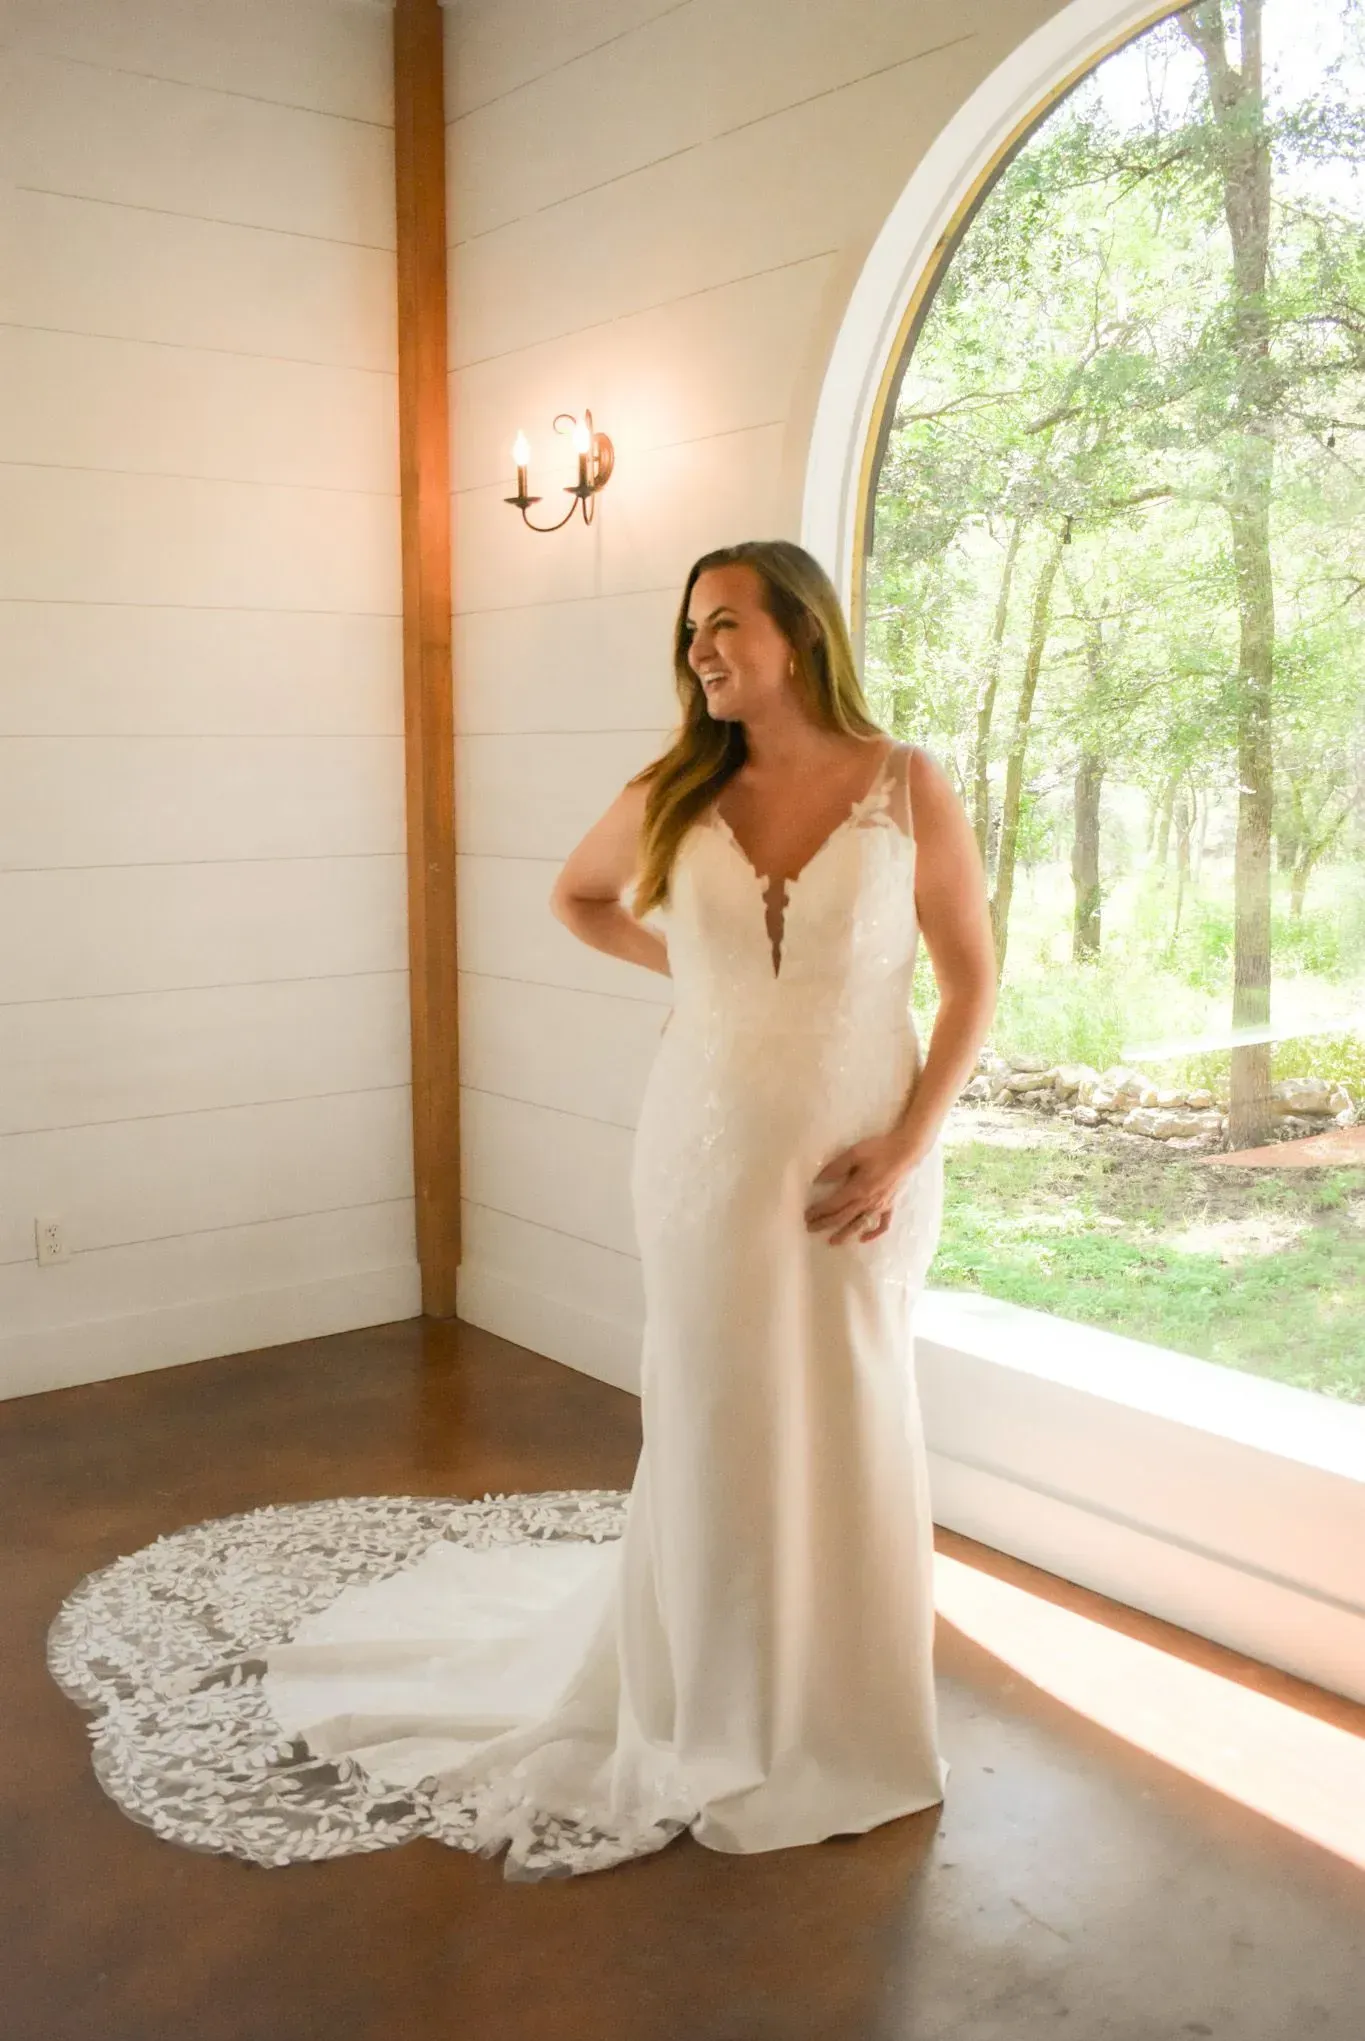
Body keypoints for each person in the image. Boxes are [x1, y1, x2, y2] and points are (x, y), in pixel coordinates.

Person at [46, 539, 995, 1884]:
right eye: (691, 634)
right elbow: (577, 898)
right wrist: (710, 981)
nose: (703, 652)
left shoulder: (909, 787)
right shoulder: (673, 789)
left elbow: (969, 981)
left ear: (802, 631)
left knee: (849, 1404)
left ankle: (847, 1713)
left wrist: (907, 1145)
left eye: (726, 624)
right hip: (708, 1147)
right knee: (719, 1411)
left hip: (864, 1157)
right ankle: (709, 1707)